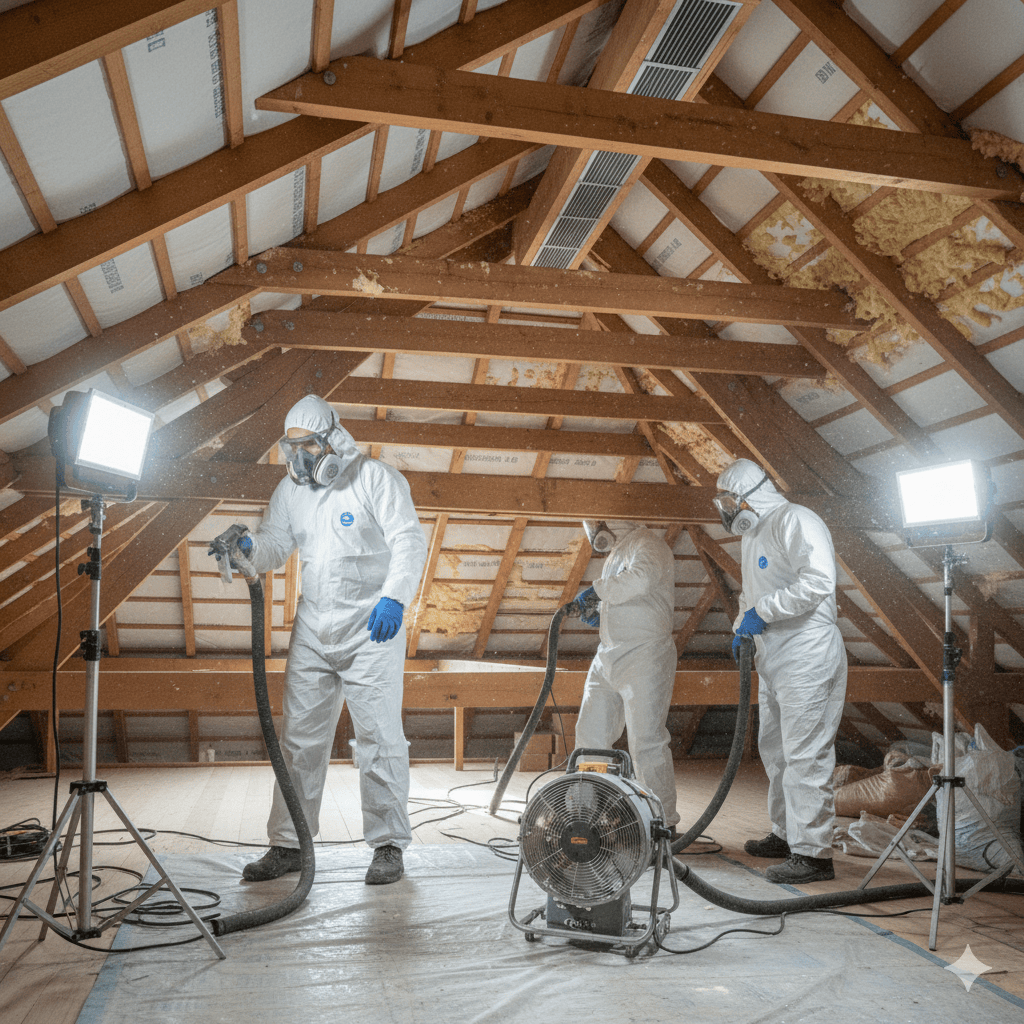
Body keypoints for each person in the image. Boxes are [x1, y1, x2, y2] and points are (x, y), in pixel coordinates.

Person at [210, 395, 427, 885]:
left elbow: (409, 540)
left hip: (372, 626)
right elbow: (272, 546)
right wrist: (247, 548)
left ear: (332, 440)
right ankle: (289, 844)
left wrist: (394, 598)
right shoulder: (291, 493)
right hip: (313, 627)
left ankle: (388, 844)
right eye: (292, 448)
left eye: (307, 446)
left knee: (378, 737)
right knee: (299, 740)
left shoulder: (375, 479)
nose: (299, 459)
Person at [714, 459, 848, 884]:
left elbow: (818, 582)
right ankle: (786, 834)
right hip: (774, 654)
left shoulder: (797, 520)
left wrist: (761, 614)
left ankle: (814, 855)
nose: (727, 509)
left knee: (805, 753)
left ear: (751, 495)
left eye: (731, 500)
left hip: (807, 649)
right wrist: (742, 628)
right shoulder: (752, 535)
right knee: (775, 748)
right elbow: (750, 596)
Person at [570, 520, 680, 833]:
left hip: (645, 655)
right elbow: (627, 595)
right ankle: (581, 815)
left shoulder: (648, 543)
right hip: (608, 655)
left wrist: (597, 592)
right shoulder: (616, 553)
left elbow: (641, 580)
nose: (593, 533)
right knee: (591, 736)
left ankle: (662, 823)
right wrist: (604, 613)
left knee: (646, 741)